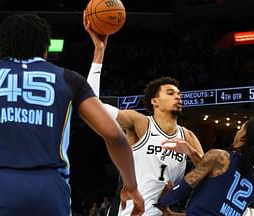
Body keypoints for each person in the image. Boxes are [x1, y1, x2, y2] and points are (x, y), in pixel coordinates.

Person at [0, 13, 144, 216]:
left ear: (1, 46)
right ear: (46, 49)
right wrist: (130, 185)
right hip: (50, 190)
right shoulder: (69, 79)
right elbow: (115, 136)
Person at [83, 14, 204, 216]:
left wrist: (192, 153)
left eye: (178, 93)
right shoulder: (140, 124)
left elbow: (211, 177)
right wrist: (99, 51)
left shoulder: (188, 137)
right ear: (154, 102)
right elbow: (92, 105)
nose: (178, 96)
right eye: (170, 93)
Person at [155, 116, 254, 216]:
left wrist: (160, 200)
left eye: (240, 128)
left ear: (244, 136)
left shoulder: (221, 157)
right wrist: (170, 214)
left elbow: (182, 190)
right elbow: (211, 209)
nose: (237, 131)